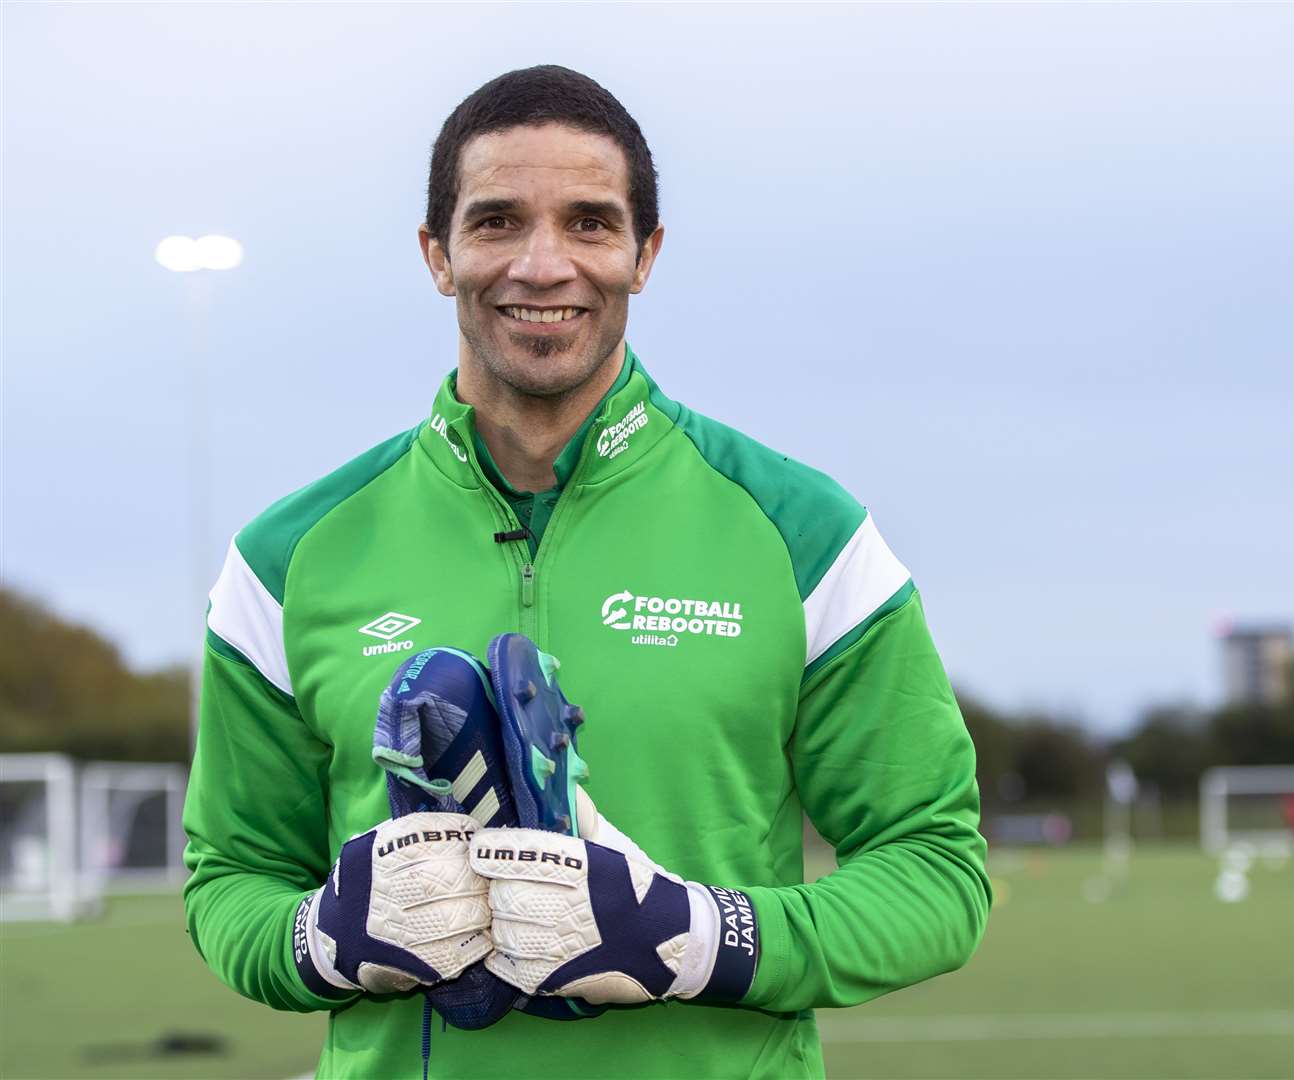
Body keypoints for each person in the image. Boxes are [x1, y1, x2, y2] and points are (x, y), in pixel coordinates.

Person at [182, 64, 990, 1078]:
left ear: (644, 254)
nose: (543, 263)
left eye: (591, 224)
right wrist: (324, 941)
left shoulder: (803, 534)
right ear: (437, 254)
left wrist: (705, 939)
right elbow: (230, 882)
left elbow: (938, 876)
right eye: (497, 222)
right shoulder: (286, 558)